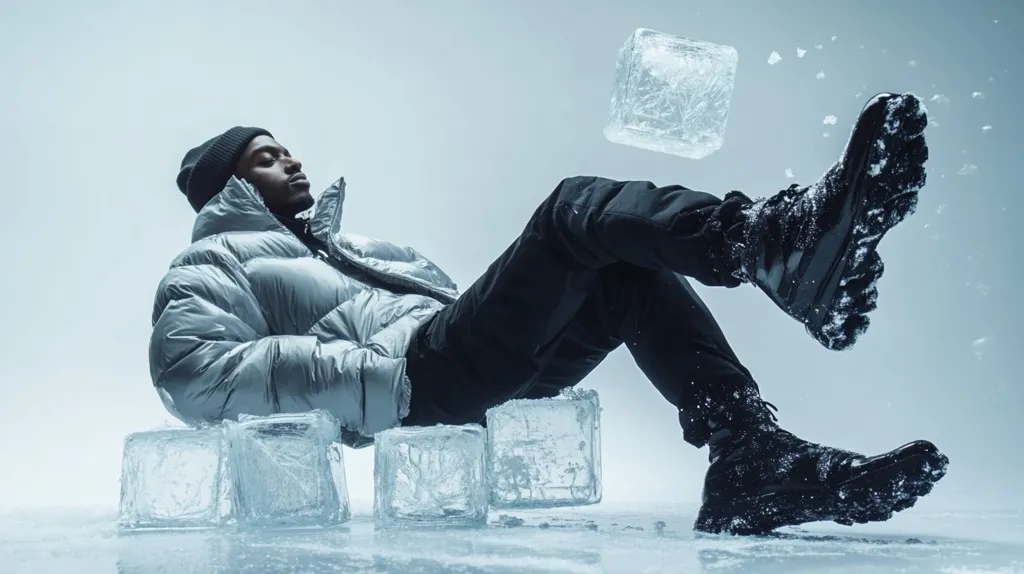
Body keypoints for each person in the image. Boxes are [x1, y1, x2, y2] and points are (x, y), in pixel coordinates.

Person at [150, 92, 947, 535]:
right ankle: (769, 242)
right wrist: (367, 377)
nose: (290, 158)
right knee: (573, 211)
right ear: (229, 185)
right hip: (418, 383)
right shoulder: (211, 264)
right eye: (265, 154)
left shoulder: (361, 246)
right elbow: (193, 376)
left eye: (286, 147)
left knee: (619, 270)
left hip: (466, 379)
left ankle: (749, 453)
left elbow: (467, 308)